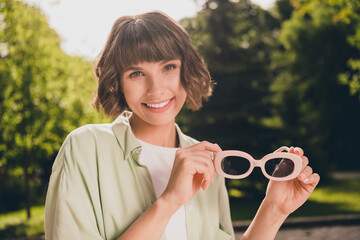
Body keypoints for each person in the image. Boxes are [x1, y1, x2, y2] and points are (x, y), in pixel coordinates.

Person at [44, 11, 320, 240]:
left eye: (168, 67)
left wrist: (274, 209)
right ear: (118, 82)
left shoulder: (209, 159)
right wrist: (169, 201)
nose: (156, 89)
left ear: (186, 70)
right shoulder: (86, 147)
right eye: (137, 73)